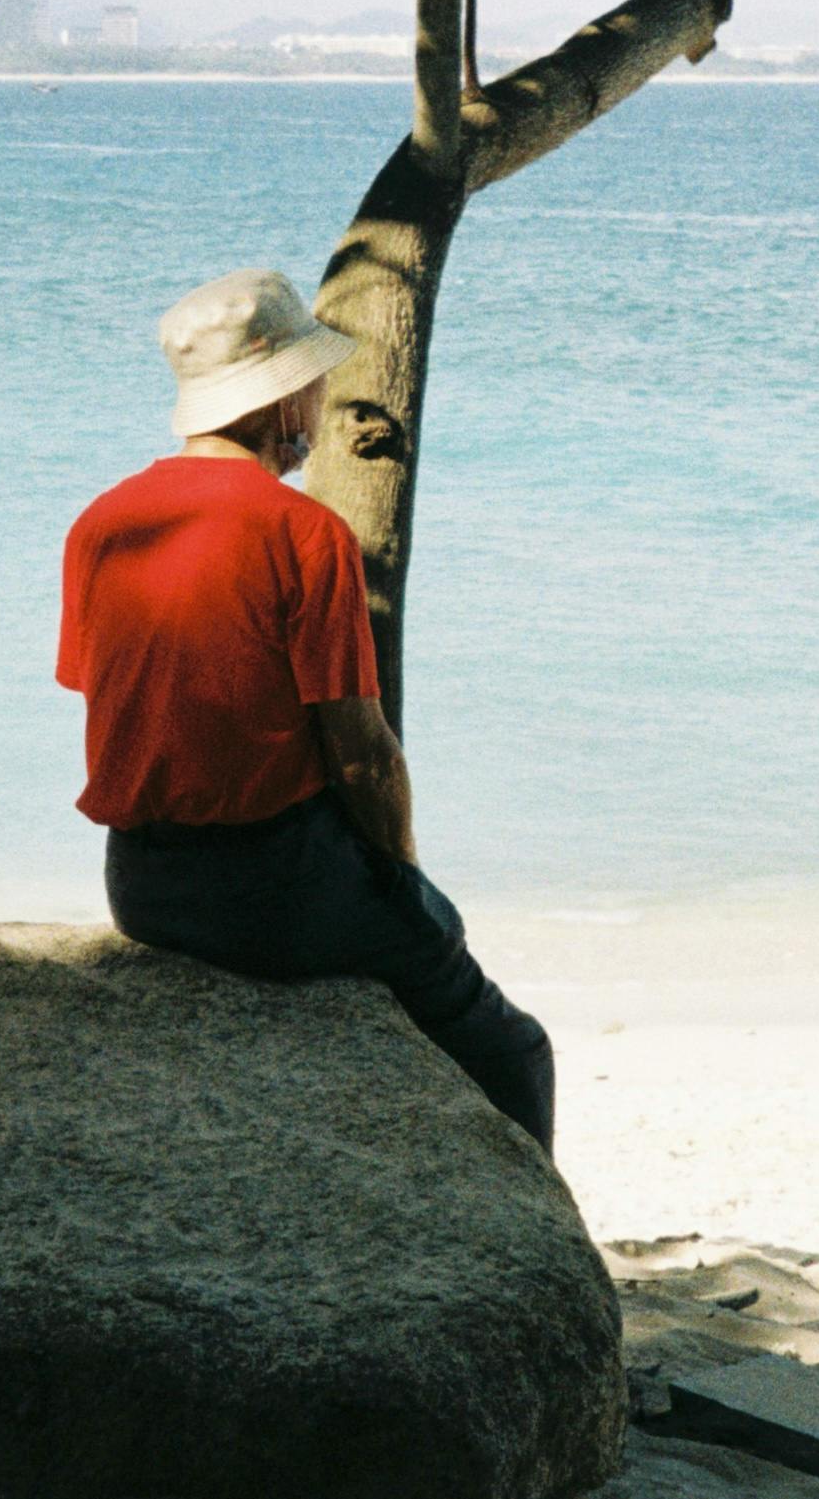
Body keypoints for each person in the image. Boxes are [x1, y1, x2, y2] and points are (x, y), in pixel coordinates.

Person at [57, 268, 555, 1151]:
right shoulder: (301, 531)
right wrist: (400, 874)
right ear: (283, 397)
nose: (323, 400)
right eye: (314, 382)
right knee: (513, 1045)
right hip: (271, 888)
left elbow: (123, 697)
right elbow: (360, 752)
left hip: (140, 883)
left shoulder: (102, 522)